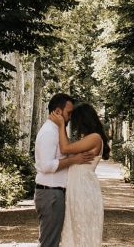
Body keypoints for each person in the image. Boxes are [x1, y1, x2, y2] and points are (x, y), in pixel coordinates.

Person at [34, 93, 96, 247]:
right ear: (57, 111)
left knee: (53, 241)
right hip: (50, 193)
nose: (70, 117)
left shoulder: (57, 131)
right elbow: (46, 166)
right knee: (49, 243)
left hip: (55, 193)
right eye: (68, 113)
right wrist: (73, 160)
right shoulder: (49, 132)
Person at [51, 102, 109, 247]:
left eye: (74, 118)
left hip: (83, 188)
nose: (71, 121)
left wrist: (60, 125)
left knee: (82, 228)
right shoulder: (87, 138)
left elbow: (65, 148)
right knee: (75, 227)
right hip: (78, 187)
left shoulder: (94, 138)